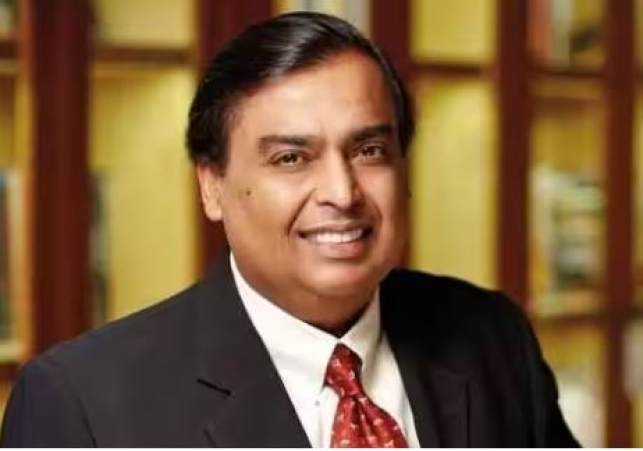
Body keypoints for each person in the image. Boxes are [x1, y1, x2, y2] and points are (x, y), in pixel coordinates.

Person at [0, 12, 579, 447]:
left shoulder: (492, 337)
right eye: (291, 159)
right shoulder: (83, 404)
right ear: (212, 186)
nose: (342, 193)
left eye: (369, 150)